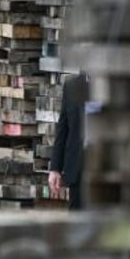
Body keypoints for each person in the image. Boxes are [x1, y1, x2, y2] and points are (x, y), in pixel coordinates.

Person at [49, 73, 90, 210]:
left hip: (107, 169)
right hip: (77, 169)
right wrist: (55, 168)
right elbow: (63, 128)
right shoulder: (71, 86)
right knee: (77, 225)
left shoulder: (114, 85)